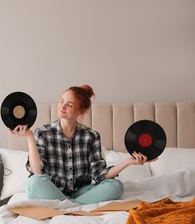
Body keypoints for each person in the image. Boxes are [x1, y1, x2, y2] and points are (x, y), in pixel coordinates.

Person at [9, 85, 152, 204]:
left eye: (69, 105)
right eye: (61, 101)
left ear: (80, 111)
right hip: (51, 190)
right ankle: (74, 206)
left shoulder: (91, 136)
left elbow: (100, 175)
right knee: (33, 183)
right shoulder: (43, 133)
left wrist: (127, 162)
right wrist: (29, 137)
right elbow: (37, 172)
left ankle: (65, 205)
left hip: (80, 193)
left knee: (116, 186)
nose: (62, 107)